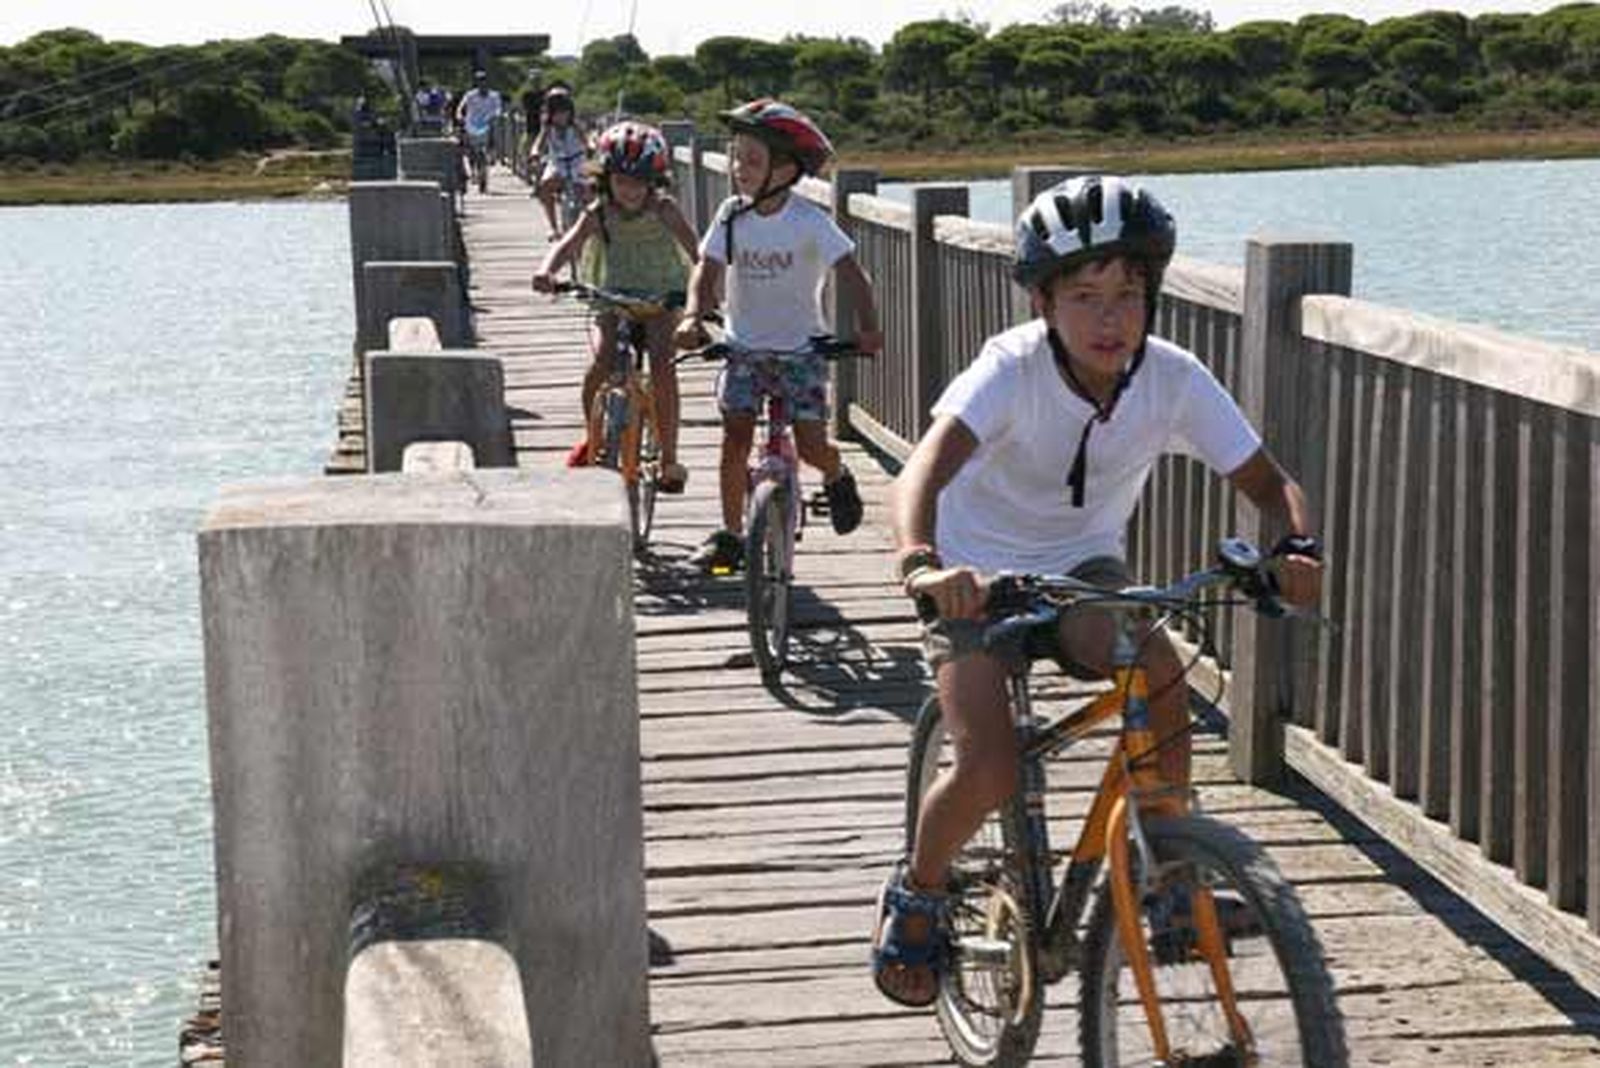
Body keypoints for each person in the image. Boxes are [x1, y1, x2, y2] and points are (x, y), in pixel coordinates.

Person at [870, 174, 1326, 1007]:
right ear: (1044, 303)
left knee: (1157, 666)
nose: (1111, 318)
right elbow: (924, 470)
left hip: (1083, 572)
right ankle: (919, 893)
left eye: (1129, 294)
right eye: (1085, 296)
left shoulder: (1174, 378)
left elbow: (1268, 481)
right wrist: (923, 566)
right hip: (974, 577)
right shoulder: (1009, 369)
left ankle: (1168, 878)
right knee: (990, 765)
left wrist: (1293, 543)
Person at [674, 98, 882, 573]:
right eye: (736, 156)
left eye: (752, 159)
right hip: (743, 347)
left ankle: (834, 473)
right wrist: (692, 316)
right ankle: (730, 536)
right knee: (735, 440)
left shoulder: (808, 220)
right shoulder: (730, 214)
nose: (738, 168)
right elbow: (706, 267)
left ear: (786, 170)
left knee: (810, 445)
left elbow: (852, 273)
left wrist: (867, 329)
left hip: (801, 352)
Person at [532, 121, 699, 493]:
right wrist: (546, 270)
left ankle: (669, 458)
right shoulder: (600, 210)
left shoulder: (665, 209)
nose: (630, 190)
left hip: (660, 297)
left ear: (654, 182)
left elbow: (698, 252)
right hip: (612, 295)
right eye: (622, 181)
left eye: (639, 182)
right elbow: (568, 244)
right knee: (601, 360)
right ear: (606, 179)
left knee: (662, 366)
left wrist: (703, 298)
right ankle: (593, 435)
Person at [530, 86, 589, 235]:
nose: (561, 116)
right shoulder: (548, 127)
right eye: (557, 112)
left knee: (590, 189)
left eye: (564, 111)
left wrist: (591, 148)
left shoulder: (575, 125)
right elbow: (539, 142)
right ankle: (553, 227)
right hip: (558, 162)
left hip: (578, 160)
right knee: (545, 187)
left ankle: (590, 225)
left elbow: (586, 140)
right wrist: (535, 152)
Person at [455, 70, 502, 188]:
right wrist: (459, 115)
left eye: (484, 80)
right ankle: (472, 170)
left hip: (486, 125)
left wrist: (495, 116)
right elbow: (461, 107)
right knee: (470, 149)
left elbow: (498, 109)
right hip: (471, 124)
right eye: (480, 81)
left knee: (491, 139)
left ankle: (494, 153)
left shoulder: (494, 95)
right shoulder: (470, 95)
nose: (482, 83)